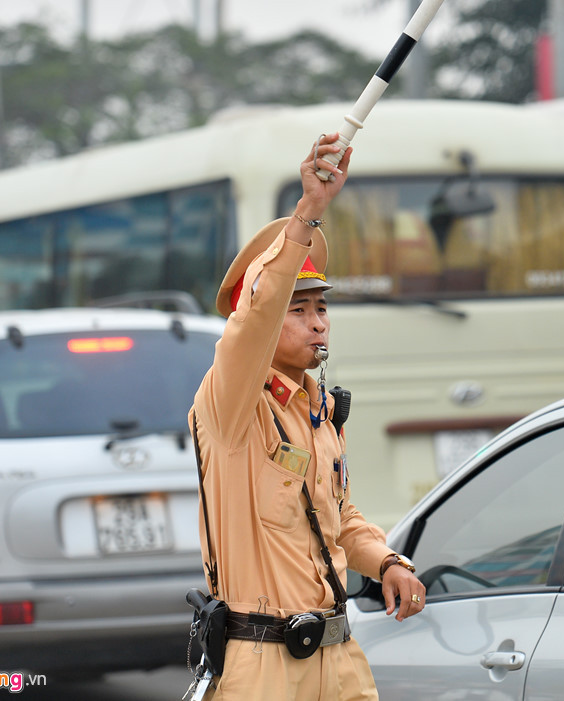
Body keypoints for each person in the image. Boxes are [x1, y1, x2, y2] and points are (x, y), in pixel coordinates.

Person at [188, 133, 425, 700]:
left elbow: (337, 517)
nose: (318, 322)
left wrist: (388, 562)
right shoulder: (231, 408)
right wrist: (309, 212)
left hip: (338, 654)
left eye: (322, 307)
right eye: (299, 310)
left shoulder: (317, 410)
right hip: (263, 663)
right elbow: (252, 320)